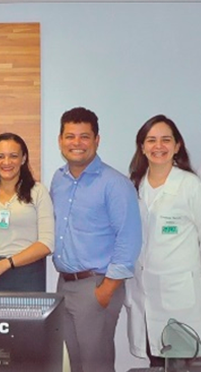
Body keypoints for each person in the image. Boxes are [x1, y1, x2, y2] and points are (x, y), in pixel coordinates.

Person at [51, 107, 142, 372]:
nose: (76, 143)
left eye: (84, 136)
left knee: (95, 366)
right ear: (60, 140)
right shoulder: (59, 179)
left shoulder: (115, 183)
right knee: (76, 365)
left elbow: (129, 238)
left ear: (97, 140)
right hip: (64, 285)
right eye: (70, 136)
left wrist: (107, 289)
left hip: (96, 285)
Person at [125, 115, 201, 366]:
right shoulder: (134, 185)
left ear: (177, 146)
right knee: (156, 361)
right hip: (145, 294)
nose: (159, 146)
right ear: (142, 147)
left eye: (166, 140)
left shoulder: (190, 185)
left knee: (185, 363)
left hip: (181, 294)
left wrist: (188, 272)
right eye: (151, 140)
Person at [0, 132, 54, 292]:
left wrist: (7, 264)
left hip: (27, 273)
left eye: (13, 156)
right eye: (0, 157)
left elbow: (46, 244)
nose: (6, 162)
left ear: (23, 159)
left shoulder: (38, 191)